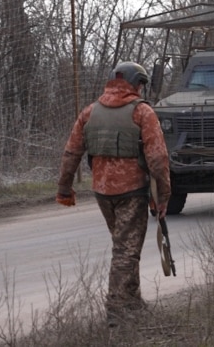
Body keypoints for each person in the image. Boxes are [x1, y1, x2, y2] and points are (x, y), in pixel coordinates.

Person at [55, 61, 172, 325]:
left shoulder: (90, 112)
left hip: (102, 192)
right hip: (132, 190)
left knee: (124, 246)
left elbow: (71, 152)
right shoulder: (142, 112)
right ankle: (117, 311)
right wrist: (163, 196)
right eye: (141, 84)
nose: (142, 89)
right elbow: (157, 158)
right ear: (135, 83)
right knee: (126, 251)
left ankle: (133, 302)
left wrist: (64, 189)